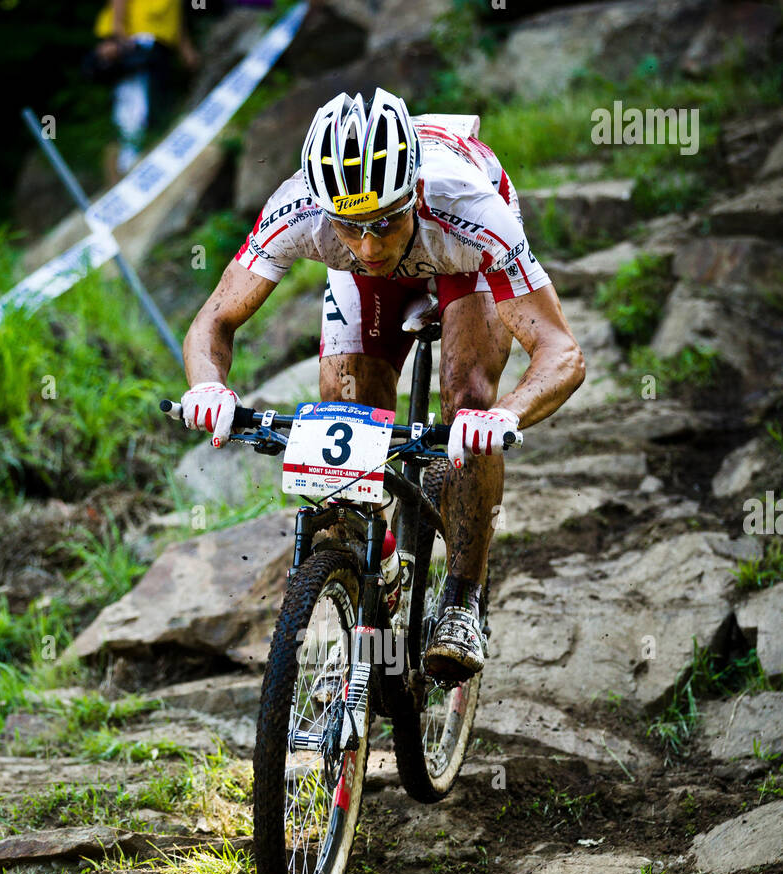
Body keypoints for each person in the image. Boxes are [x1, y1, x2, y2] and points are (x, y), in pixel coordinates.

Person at [181, 88, 585, 682]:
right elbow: (215, 317)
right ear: (326, 210)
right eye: (351, 227)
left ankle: (463, 601)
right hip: (372, 286)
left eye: (385, 223)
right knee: (348, 419)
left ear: (412, 192)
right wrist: (210, 387)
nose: (369, 246)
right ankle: (377, 563)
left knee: (468, 402)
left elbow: (561, 351)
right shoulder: (300, 209)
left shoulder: (471, 208)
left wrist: (505, 417)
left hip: (459, 262)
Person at [91, 0, 200, 180]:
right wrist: (118, 36)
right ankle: (128, 168)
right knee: (134, 108)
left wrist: (185, 48)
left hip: (161, 44)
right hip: (136, 41)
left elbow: (175, 15)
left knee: (156, 106)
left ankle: (147, 161)